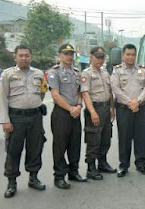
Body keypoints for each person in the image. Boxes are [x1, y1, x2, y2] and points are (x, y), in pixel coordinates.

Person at [0, 45, 47, 198]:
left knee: (35, 148)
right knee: (13, 150)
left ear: (31, 57)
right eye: (21, 55)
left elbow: (42, 93)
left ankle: (33, 178)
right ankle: (11, 183)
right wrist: (5, 121)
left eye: (27, 55)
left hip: (35, 117)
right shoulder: (7, 74)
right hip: (16, 118)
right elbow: (2, 99)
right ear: (15, 57)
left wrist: (34, 105)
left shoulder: (39, 74)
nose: (24, 58)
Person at [47, 44, 87, 189]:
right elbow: (55, 95)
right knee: (60, 146)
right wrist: (71, 108)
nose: (69, 56)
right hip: (61, 113)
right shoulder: (54, 72)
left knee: (75, 143)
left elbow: (80, 92)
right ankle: (59, 176)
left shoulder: (77, 72)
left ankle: (73, 172)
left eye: (71, 54)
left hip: (75, 112)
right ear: (60, 55)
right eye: (66, 54)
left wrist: (78, 106)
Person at [111, 44, 145, 177]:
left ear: (136, 55)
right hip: (124, 109)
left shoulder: (143, 70)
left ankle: (141, 164)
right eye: (128, 54)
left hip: (140, 108)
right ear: (123, 55)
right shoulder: (117, 71)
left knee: (141, 137)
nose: (130, 57)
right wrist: (130, 102)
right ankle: (123, 165)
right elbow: (115, 89)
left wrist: (137, 101)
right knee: (124, 137)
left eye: (133, 54)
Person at [81, 47, 117, 181]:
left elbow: (110, 92)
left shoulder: (105, 73)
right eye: (97, 57)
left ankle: (102, 163)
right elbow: (85, 94)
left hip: (106, 108)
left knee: (106, 138)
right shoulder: (86, 74)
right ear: (91, 57)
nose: (100, 60)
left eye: (102, 57)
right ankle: (91, 167)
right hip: (95, 109)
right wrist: (92, 112)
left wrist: (112, 108)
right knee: (93, 139)